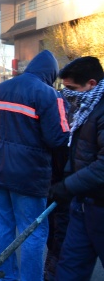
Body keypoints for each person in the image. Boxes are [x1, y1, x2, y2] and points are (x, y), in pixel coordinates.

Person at [0, 50, 70, 281]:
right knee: (34, 232)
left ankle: (6, 276)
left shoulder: (1, 89)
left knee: (3, 226)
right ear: (50, 73)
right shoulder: (49, 95)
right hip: (29, 175)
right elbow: (58, 139)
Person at [49, 56, 104, 280]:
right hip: (82, 205)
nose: (66, 94)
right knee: (70, 268)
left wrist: (67, 186)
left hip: (100, 206)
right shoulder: (85, 107)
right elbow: (78, 150)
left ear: (91, 84)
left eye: (71, 89)